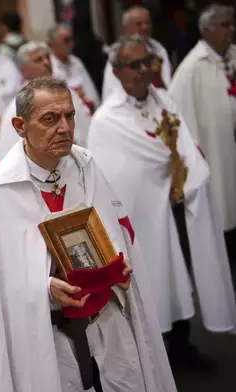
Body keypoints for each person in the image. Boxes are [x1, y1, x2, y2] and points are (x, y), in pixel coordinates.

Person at [0, 76, 177, 392]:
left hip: (104, 321)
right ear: (20, 126)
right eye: (50, 119)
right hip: (47, 334)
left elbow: (113, 235)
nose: (64, 127)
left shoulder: (84, 165)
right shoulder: (0, 189)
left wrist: (119, 265)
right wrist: (46, 288)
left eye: (69, 116)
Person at [90, 34, 236, 369]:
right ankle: (152, 353)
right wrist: (158, 180)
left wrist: (190, 177)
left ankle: (182, 346)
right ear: (117, 71)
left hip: (176, 208)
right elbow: (112, 178)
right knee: (151, 277)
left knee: (180, 273)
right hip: (140, 217)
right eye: (134, 64)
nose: (143, 70)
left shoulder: (165, 101)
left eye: (148, 62)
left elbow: (186, 147)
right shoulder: (106, 120)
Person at [168, 5, 236, 258]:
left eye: (231, 23)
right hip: (217, 155)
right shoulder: (191, 69)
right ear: (207, 30)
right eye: (225, 25)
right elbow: (176, 117)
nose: (231, 29)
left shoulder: (233, 56)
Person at [0, 42, 92, 159]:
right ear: (23, 70)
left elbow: (87, 130)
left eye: (47, 57)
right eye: (38, 60)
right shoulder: (17, 108)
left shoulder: (69, 94)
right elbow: (8, 155)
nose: (46, 62)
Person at [102, 6, 172, 100]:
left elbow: (167, 85)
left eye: (147, 23)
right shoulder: (119, 56)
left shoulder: (159, 50)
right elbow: (112, 92)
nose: (145, 27)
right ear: (126, 28)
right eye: (139, 24)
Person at [49, 23, 100, 111]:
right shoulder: (50, 67)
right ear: (54, 43)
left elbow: (91, 90)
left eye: (72, 39)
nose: (71, 44)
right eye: (66, 40)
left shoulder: (76, 61)